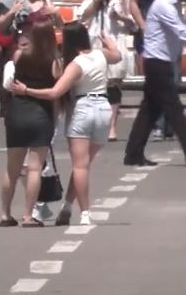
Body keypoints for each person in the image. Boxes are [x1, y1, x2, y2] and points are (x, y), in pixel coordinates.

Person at [11, 23, 122, 227]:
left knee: (80, 165)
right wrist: (110, 43)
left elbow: (54, 93)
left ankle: (86, 213)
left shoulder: (74, 64)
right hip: (103, 108)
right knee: (85, 165)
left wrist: (27, 90)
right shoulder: (100, 55)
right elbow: (117, 56)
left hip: (83, 108)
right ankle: (68, 206)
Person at [0, 22, 60, 227]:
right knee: (35, 169)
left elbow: (10, 81)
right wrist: (55, 119)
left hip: (17, 113)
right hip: (41, 114)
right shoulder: (54, 62)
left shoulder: (18, 56)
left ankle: (5, 214)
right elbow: (56, 95)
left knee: (12, 169)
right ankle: (27, 215)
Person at [123, 0, 186, 165]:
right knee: (174, 108)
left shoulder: (174, 4)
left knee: (149, 110)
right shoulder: (165, 5)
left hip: (159, 61)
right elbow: (182, 31)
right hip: (158, 63)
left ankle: (133, 153)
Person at [79, 0, 135, 142]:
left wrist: (121, 17)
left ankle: (111, 127)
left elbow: (132, 24)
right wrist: (96, 0)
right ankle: (95, 124)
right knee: (95, 85)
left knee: (113, 86)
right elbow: (83, 17)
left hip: (115, 42)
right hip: (95, 43)